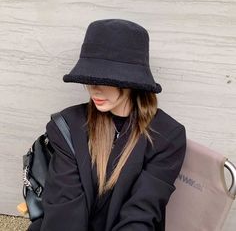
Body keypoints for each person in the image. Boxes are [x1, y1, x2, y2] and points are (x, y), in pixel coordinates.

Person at [28, 19, 186, 231]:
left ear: (132, 81)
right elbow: (64, 210)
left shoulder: (167, 136)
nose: (94, 89)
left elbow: (140, 214)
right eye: (89, 77)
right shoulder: (67, 126)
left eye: (105, 79)